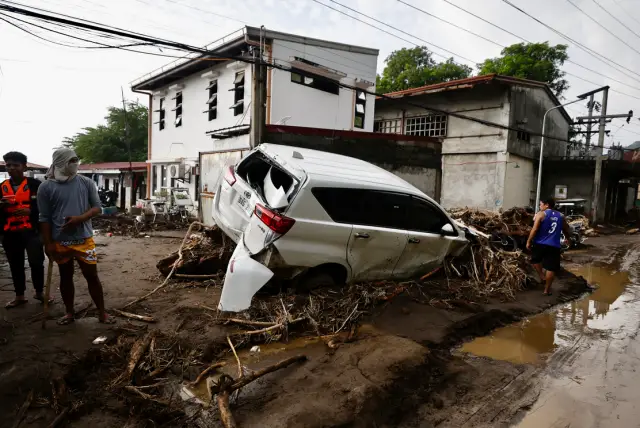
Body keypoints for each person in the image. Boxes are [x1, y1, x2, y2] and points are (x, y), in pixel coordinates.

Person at [37, 148, 115, 325]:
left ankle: (102, 313)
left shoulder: (86, 183)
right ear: (60, 163)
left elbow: (97, 208)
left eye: (76, 160)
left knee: (92, 276)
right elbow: (44, 218)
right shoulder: (46, 187)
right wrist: (47, 243)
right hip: (60, 241)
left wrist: (80, 218)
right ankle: (69, 313)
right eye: (71, 161)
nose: (75, 164)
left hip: (84, 240)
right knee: (65, 277)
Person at [0, 152, 47, 308]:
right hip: (10, 233)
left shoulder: (36, 185)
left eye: (16, 165)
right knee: (15, 264)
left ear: (24, 166)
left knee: (36, 263)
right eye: (8, 165)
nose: (12, 168)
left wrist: (31, 211)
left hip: (32, 232)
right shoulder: (2, 187)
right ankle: (19, 296)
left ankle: (39, 293)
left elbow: (46, 208)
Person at [526, 197, 571, 296]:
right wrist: (568, 239)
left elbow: (535, 229)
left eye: (541, 204)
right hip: (554, 245)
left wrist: (529, 241)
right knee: (551, 268)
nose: (539, 206)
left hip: (540, 243)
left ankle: (542, 276)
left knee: (535, 260)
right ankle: (546, 290)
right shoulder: (561, 216)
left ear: (547, 205)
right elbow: (566, 229)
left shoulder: (541, 214)